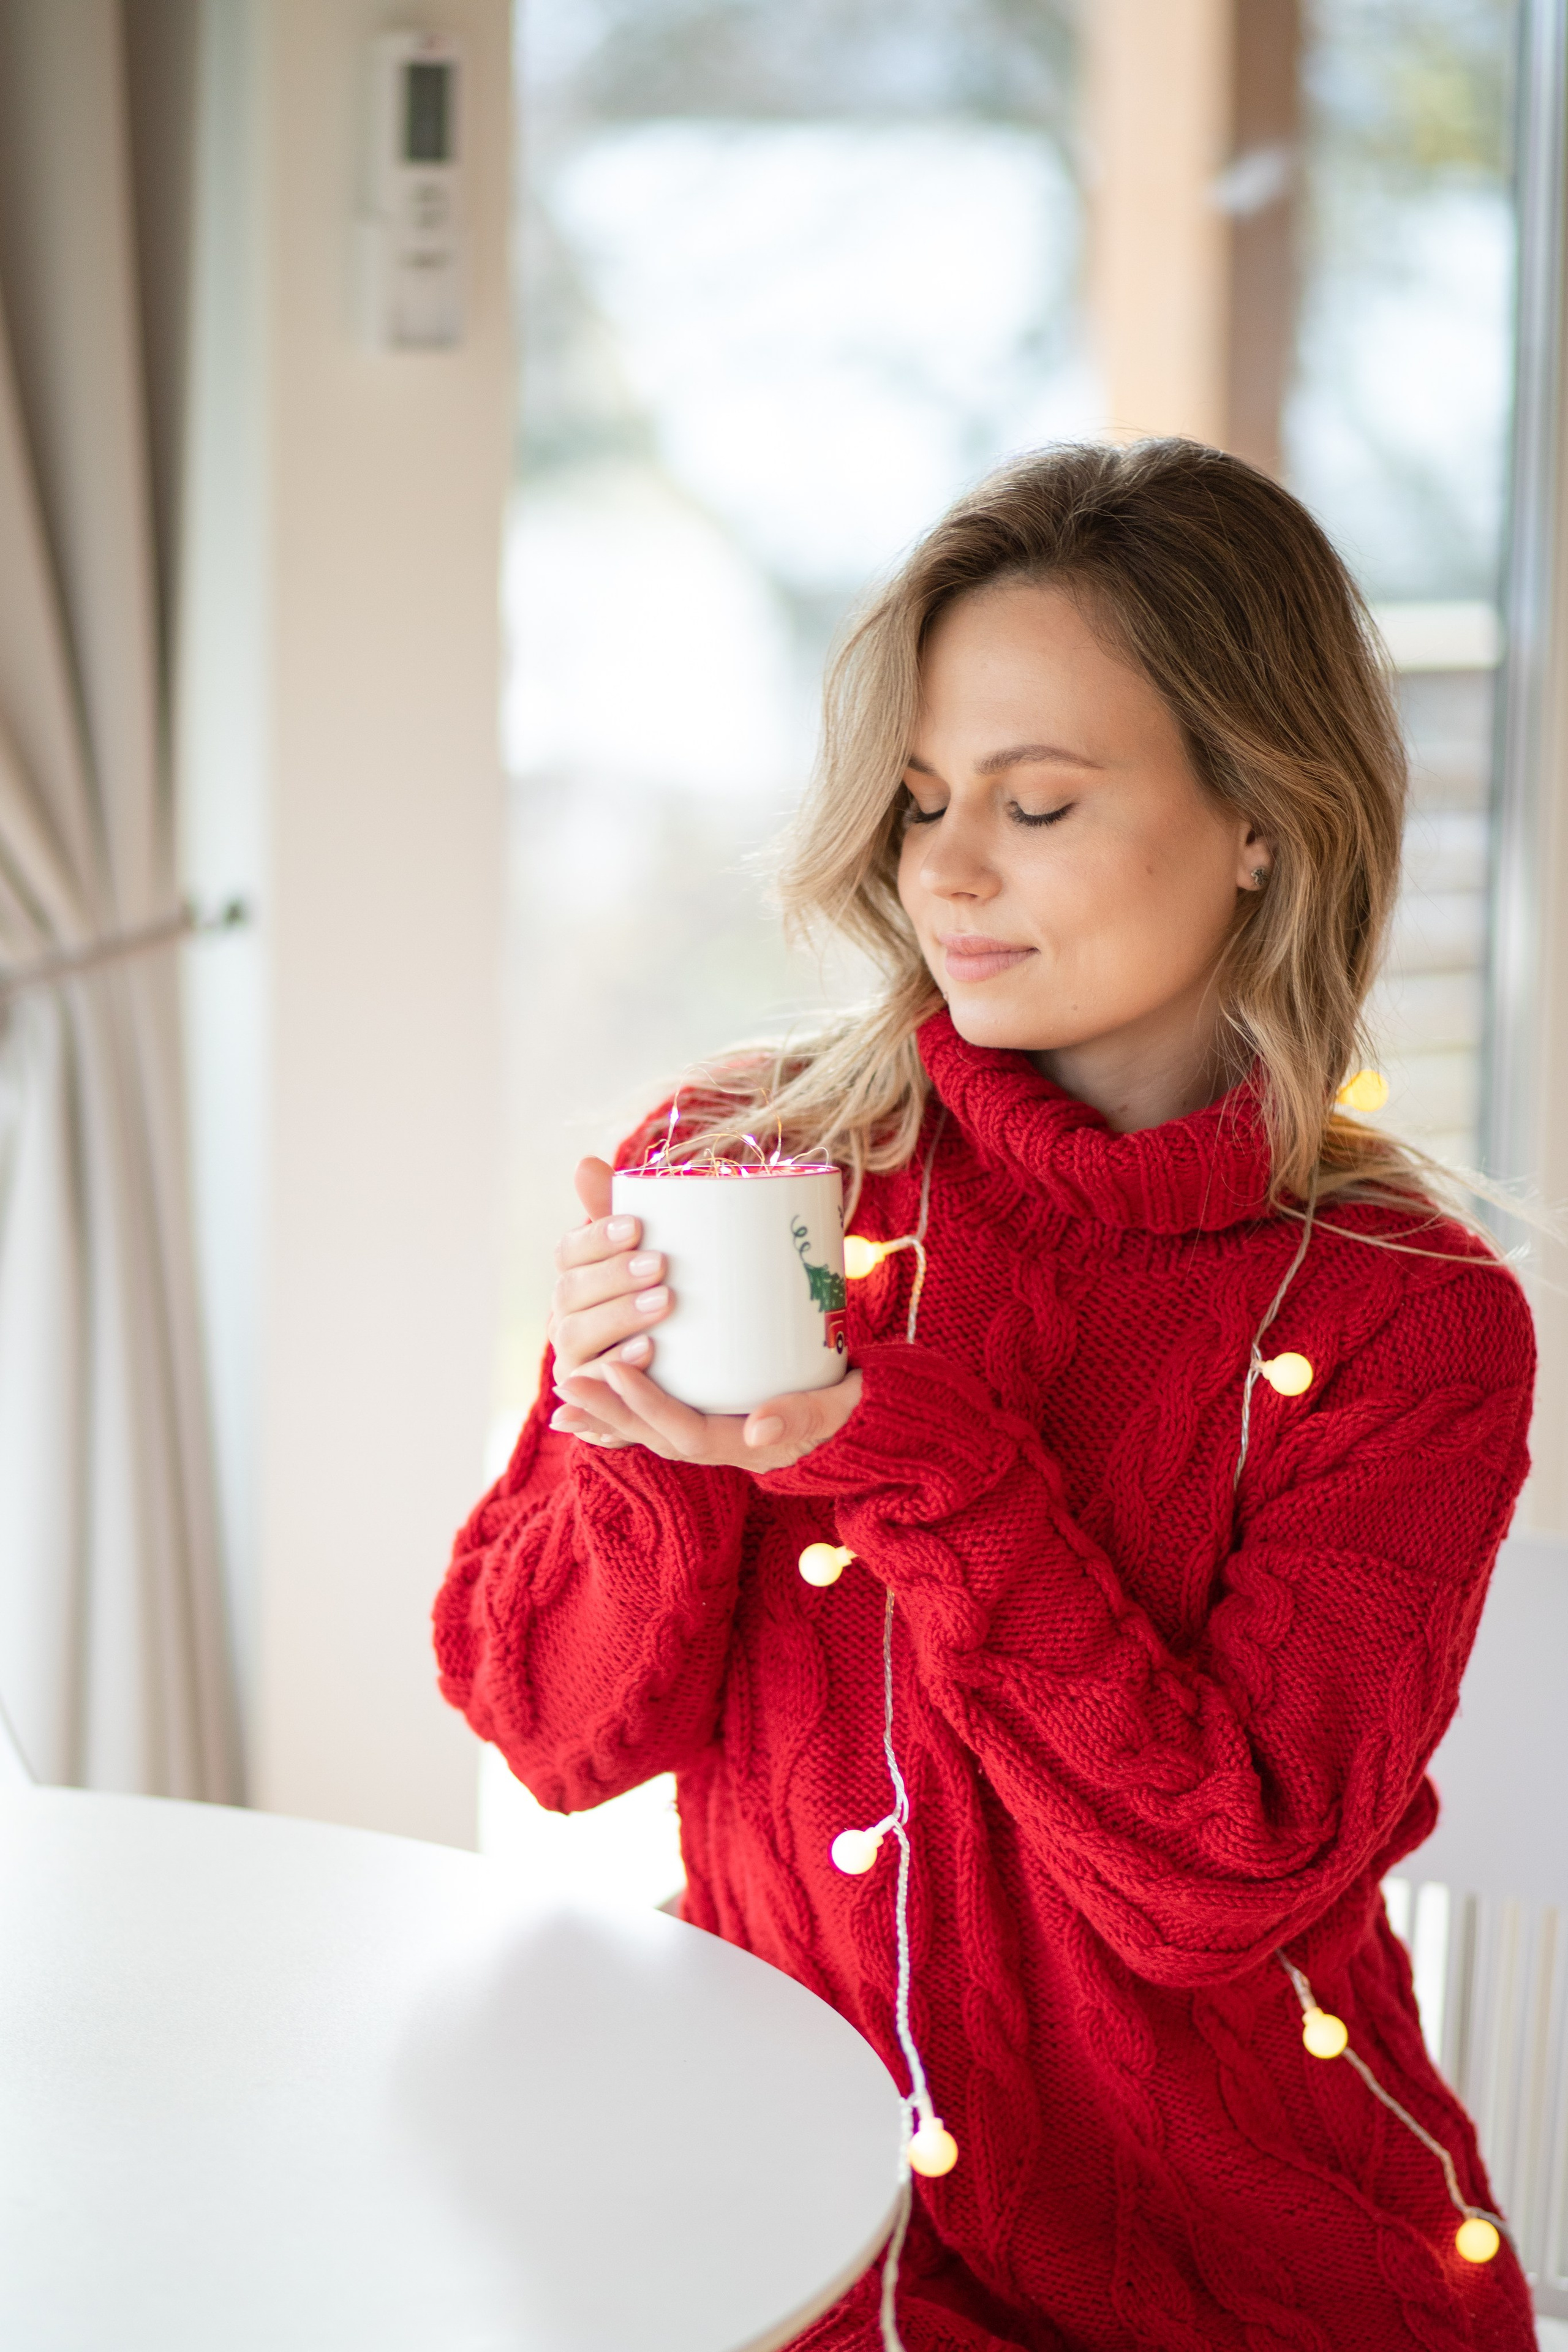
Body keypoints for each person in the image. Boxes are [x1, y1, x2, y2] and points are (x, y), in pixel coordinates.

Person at [433, 440, 1538, 2351]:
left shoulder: (1407, 1320)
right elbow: (549, 1734)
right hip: (774, 2233)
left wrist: (904, 1450)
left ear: (1262, 816)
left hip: (1243, 2282)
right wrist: (644, 1454)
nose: (941, 871)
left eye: (1036, 803)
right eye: (923, 796)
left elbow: (1221, 1883)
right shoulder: (745, 1166)